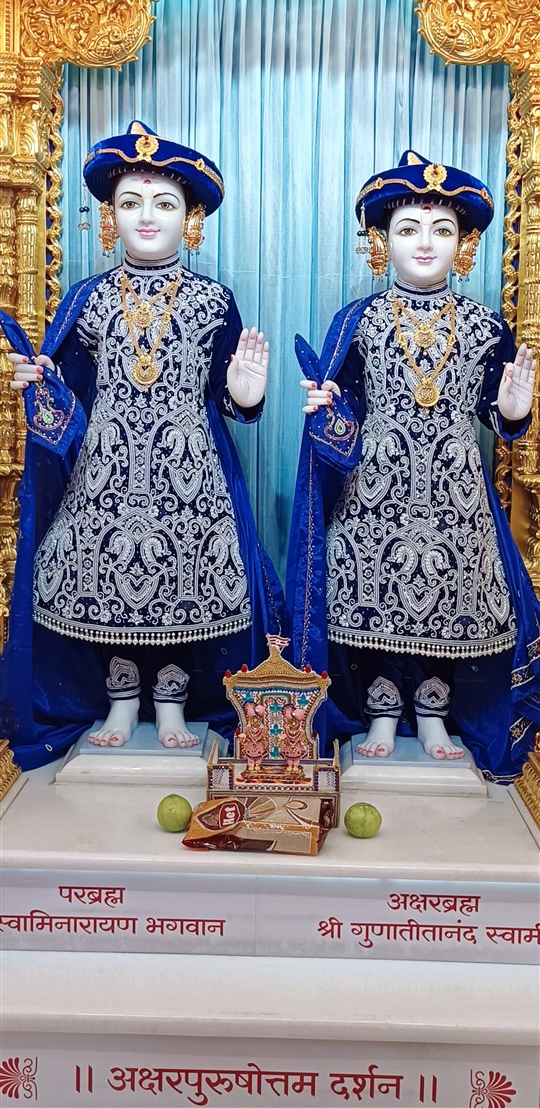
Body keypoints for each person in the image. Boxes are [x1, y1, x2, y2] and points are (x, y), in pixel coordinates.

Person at [1, 121, 284, 768]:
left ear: (191, 218)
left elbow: (230, 399)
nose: (147, 216)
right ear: (111, 216)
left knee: (184, 579)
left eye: (164, 203)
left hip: (191, 473)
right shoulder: (88, 299)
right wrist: (41, 385)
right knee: (110, 582)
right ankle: (123, 698)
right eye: (131, 202)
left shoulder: (215, 302)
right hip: (106, 474)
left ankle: (174, 700)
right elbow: (70, 404)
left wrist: (244, 395)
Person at [287, 151, 540, 780]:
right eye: (408, 228)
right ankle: (379, 713)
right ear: (382, 242)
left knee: (447, 601)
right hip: (375, 492)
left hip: (455, 495)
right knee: (375, 599)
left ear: (464, 243)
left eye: (441, 229)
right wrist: (326, 411)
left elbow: (497, 412)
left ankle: (432, 714)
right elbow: (341, 413)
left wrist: (512, 412)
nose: (425, 243)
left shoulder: (485, 325)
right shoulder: (359, 321)